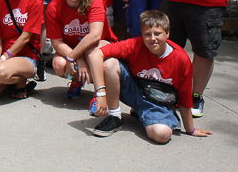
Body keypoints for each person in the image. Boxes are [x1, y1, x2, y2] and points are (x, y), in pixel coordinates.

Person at [88, 10, 211, 142]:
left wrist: (190, 129)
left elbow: (185, 95)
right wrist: (100, 93)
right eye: (147, 34)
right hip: (135, 91)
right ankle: (115, 116)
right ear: (142, 35)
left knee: (162, 135)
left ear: (168, 33)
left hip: (159, 101)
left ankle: (149, 115)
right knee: (110, 64)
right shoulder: (134, 44)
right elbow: (95, 55)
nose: (153, 38)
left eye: (158, 33)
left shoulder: (181, 58)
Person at [47, 0, 117, 99]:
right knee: (58, 64)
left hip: (99, 46)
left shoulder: (95, 1)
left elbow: (95, 36)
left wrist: (73, 57)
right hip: (74, 49)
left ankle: (100, 91)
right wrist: (77, 58)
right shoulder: (54, 6)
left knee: (91, 52)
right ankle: (77, 81)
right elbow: (56, 42)